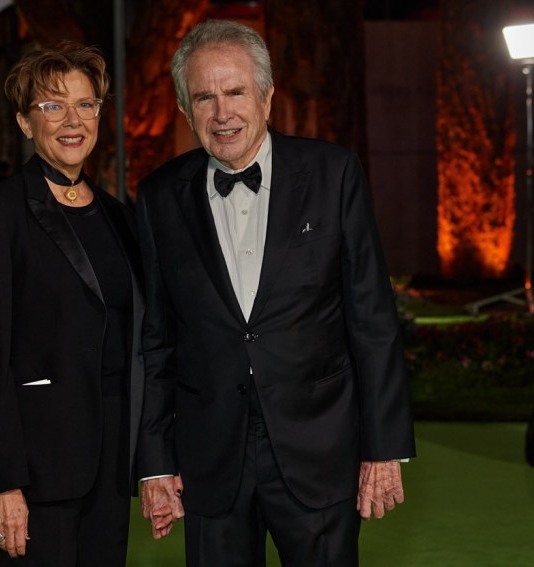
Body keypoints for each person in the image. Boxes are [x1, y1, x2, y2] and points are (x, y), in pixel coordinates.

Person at [136, 19, 416, 566]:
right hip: (210, 461)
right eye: (205, 97)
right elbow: (155, 340)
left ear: (266, 96)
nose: (222, 113)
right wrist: (153, 462)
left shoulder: (333, 173)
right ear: (184, 108)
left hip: (319, 449)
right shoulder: (158, 197)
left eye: (236, 91)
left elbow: (372, 318)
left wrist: (383, 449)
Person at [0, 40, 144, 566]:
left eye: (85, 105)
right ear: (24, 122)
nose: (72, 120)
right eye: (51, 105)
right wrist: (3, 482)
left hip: (110, 468)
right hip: (35, 472)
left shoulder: (120, 218)